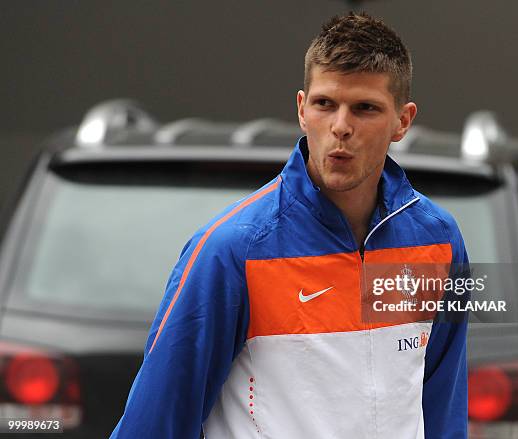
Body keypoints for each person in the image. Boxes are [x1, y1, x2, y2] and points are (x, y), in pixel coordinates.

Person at [111, 12, 469, 439]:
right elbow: (152, 427)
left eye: (365, 108)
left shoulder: (439, 241)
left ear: (403, 121)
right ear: (302, 110)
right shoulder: (231, 251)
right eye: (325, 104)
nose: (341, 127)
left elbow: (444, 413)